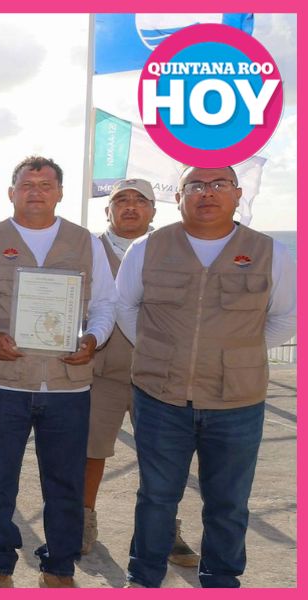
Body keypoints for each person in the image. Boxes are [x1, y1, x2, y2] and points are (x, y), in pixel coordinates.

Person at [119, 166, 296, 588]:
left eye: (219, 184)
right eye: (195, 185)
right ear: (179, 196)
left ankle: (220, 581)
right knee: (156, 497)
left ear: (238, 194)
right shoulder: (147, 248)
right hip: (161, 398)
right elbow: (125, 307)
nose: (207, 193)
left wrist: (237, 355)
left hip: (237, 402)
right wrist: (160, 353)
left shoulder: (271, 253)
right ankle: (144, 579)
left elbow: (286, 317)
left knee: (228, 502)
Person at [0, 156, 116, 588]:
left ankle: (60, 565)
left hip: (67, 386)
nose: (36, 191)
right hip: (2, 382)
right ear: (11, 193)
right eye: (27, 185)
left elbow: (105, 303)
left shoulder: (85, 243)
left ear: (60, 193)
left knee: (65, 482)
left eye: (45, 184)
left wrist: (94, 339)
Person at [80, 178, 199, 566]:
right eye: (121, 200)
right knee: (90, 452)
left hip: (160, 374)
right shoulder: (87, 248)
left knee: (163, 458)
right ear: (108, 209)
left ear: (154, 208)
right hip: (102, 371)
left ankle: (163, 530)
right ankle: (82, 521)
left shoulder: (176, 248)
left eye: (140, 200)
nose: (130, 206)